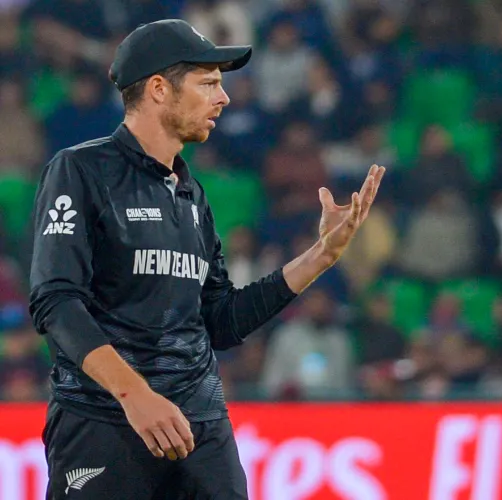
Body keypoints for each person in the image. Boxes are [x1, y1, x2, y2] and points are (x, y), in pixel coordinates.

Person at [28, 19, 386, 499]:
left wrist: (322, 256)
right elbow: (56, 301)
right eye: (209, 83)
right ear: (159, 89)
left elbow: (218, 321)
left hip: (201, 426)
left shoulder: (192, 195)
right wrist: (135, 396)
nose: (225, 98)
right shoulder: (80, 170)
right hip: (105, 421)